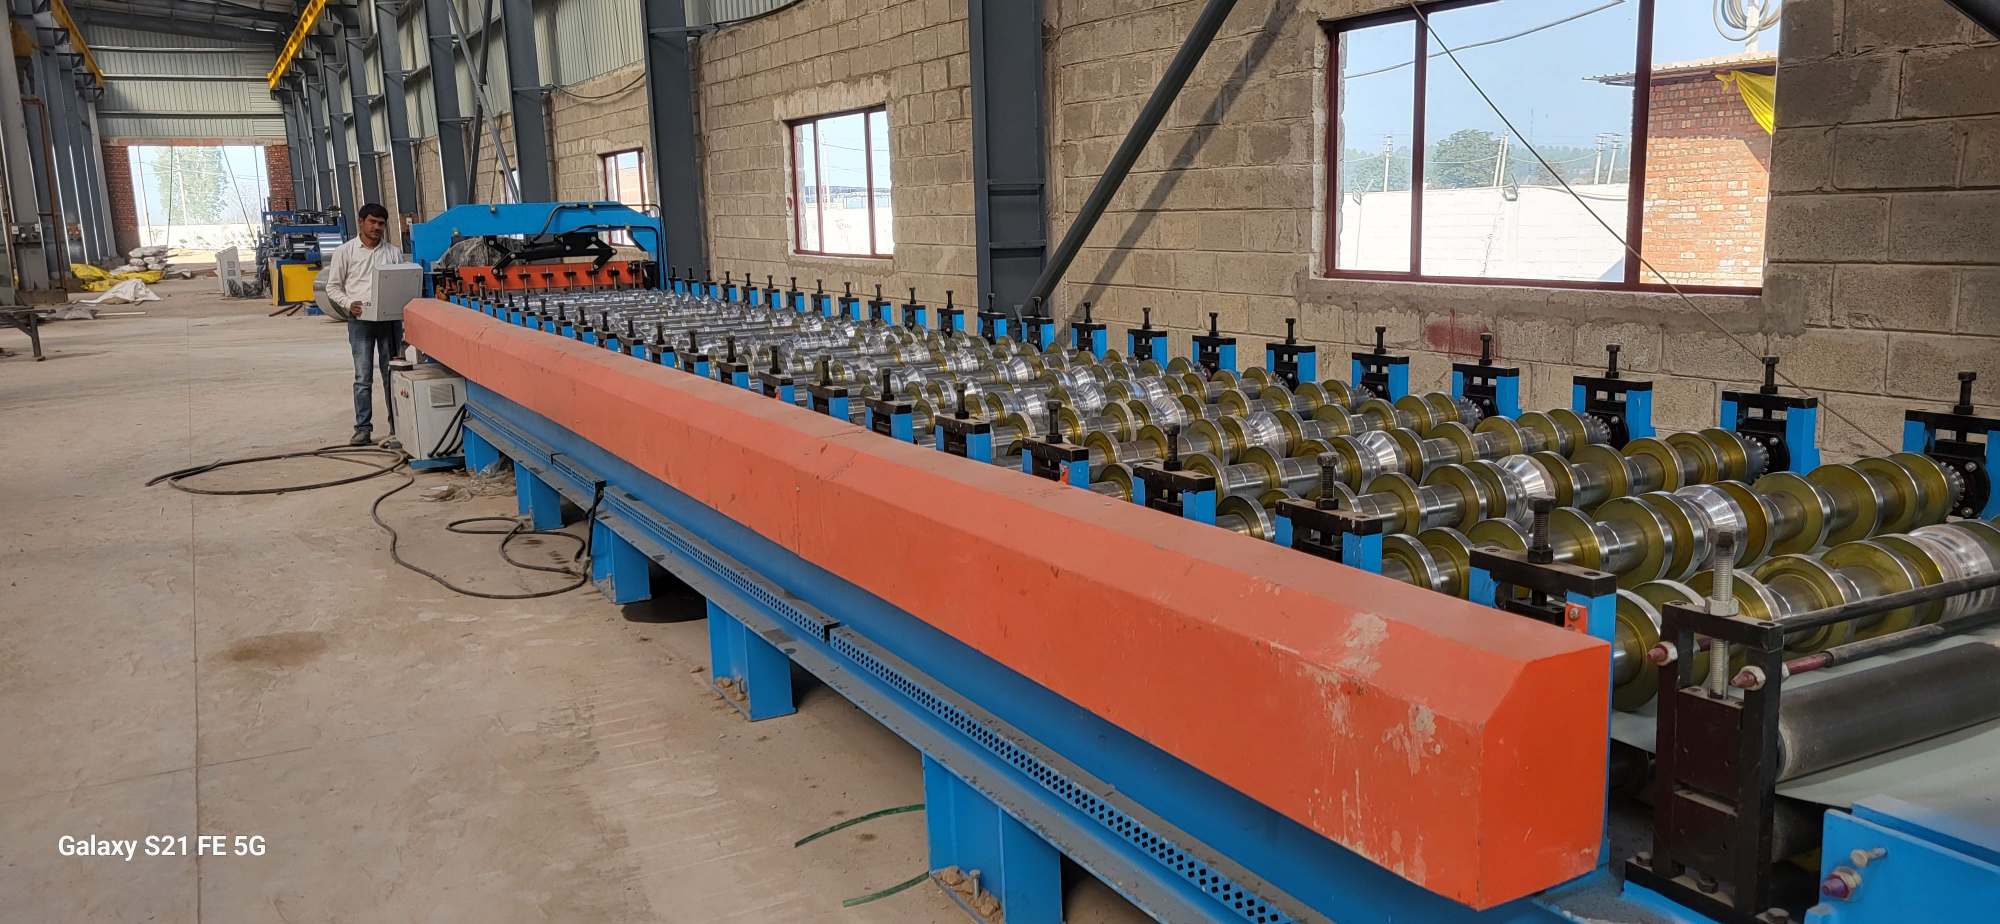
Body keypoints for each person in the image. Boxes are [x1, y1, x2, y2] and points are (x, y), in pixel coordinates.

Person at [323, 203, 406, 446]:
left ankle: (398, 428)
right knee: (363, 376)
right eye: (372, 222)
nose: (377, 227)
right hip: (360, 321)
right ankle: (363, 428)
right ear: (361, 221)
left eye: (381, 224)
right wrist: (349, 304)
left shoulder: (393, 253)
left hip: (389, 321)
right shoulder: (345, 252)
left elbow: (401, 284)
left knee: (392, 375)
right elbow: (332, 287)